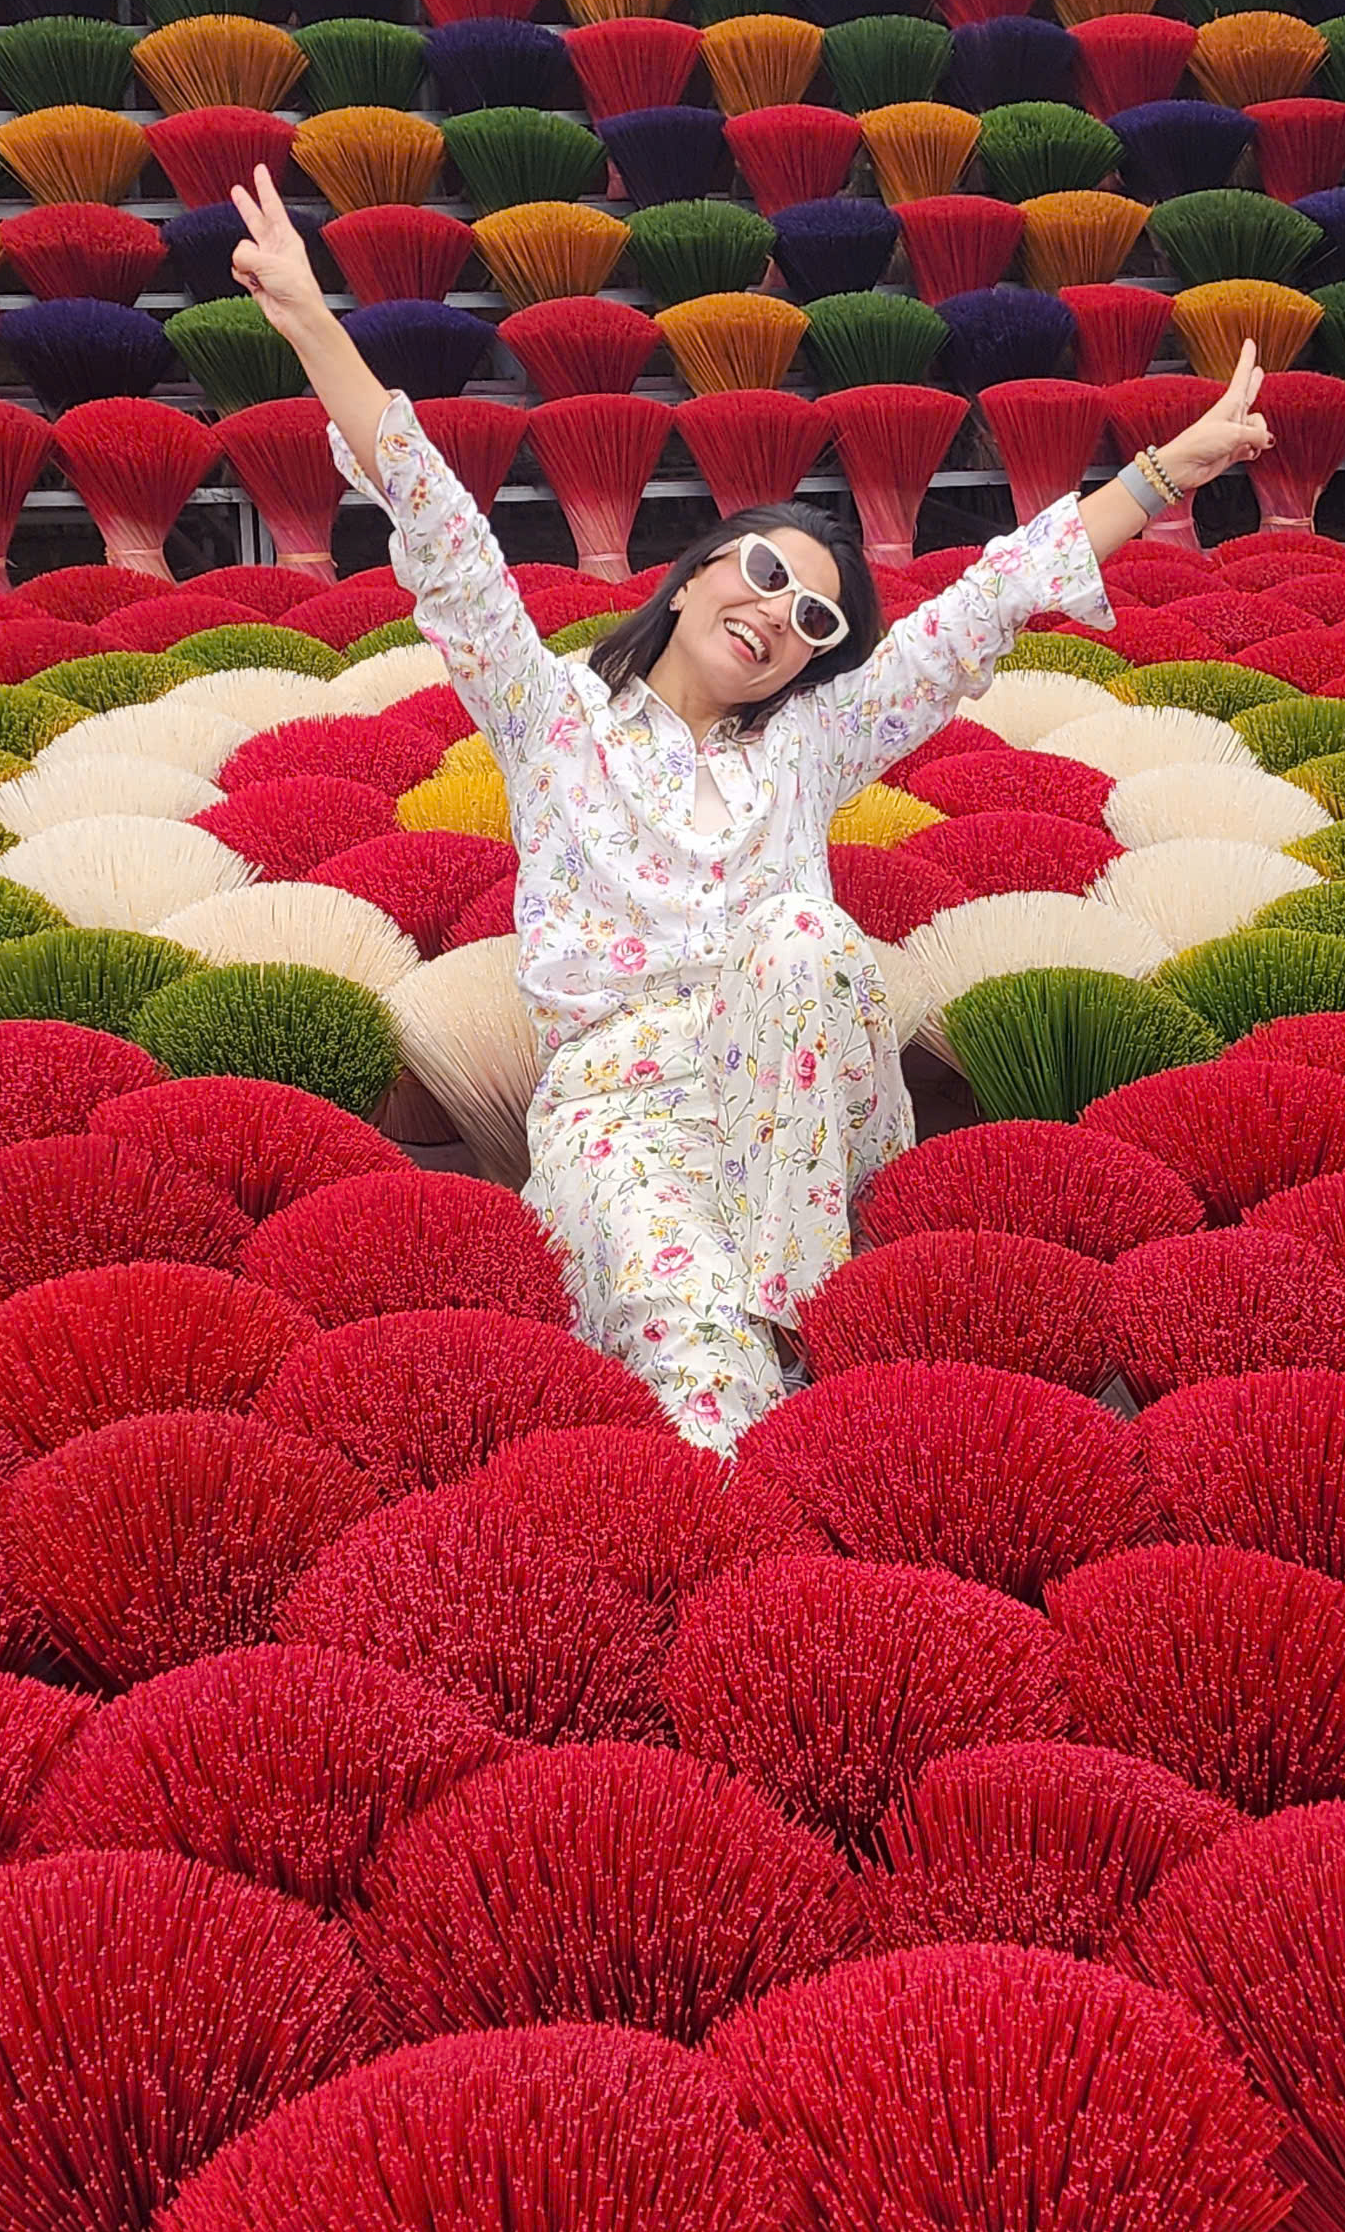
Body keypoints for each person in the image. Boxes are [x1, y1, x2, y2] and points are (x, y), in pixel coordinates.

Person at [229, 165, 1272, 1453]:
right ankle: (750, 1378)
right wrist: (310, 320)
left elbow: (982, 605)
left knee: (803, 936)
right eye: (768, 572)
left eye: (815, 617)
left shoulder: (813, 742)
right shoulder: (553, 719)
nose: (780, 613)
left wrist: (1167, 471)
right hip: (622, 1113)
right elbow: (446, 537)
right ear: (693, 574)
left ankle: (807, 1311)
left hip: (802, 1113)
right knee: (707, 1391)